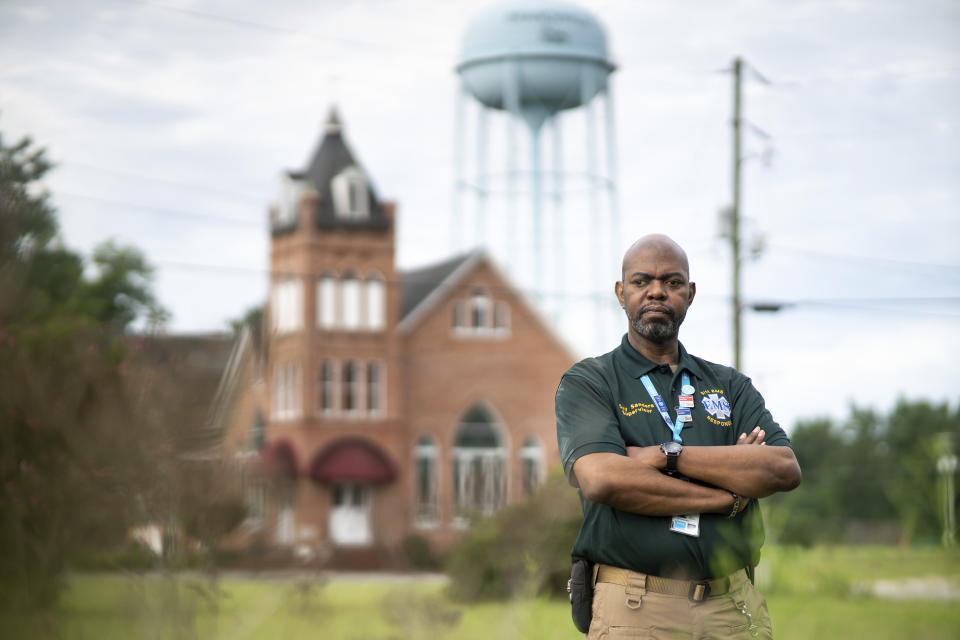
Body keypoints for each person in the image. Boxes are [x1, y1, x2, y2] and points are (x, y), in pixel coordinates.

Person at [556, 234, 801, 639]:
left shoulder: (728, 386)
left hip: (732, 607)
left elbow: (782, 468)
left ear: (689, 293)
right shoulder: (591, 381)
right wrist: (729, 495)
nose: (656, 291)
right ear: (621, 293)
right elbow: (602, 478)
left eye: (671, 282)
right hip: (635, 607)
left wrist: (666, 455)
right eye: (641, 282)